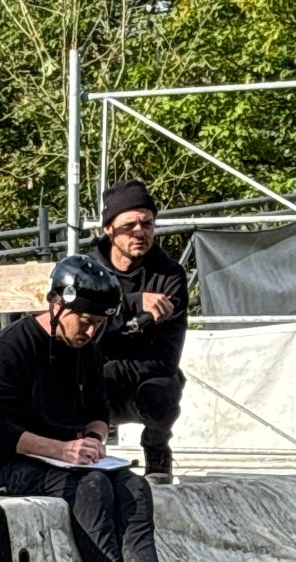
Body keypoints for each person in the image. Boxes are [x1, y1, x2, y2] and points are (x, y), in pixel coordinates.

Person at [0, 253, 202, 562]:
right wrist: (61, 450)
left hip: (66, 459)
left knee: (134, 486)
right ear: (57, 304)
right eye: (85, 321)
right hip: (10, 463)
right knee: (91, 489)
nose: (92, 331)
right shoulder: (7, 350)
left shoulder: (88, 348)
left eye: (99, 323)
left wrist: (95, 439)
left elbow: (99, 411)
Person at [89, 179, 189, 484]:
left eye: (147, 224)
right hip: (95, 375)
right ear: (109, 228)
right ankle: (87, 454)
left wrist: (113, 331)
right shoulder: (87, 271)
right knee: (72, 378)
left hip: (144, 378)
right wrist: (133, 306)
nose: (139, 232)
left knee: (165, 388)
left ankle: (157, 448)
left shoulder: (169, 275)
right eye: (129, 225)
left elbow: (167, 357)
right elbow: (82, 335)